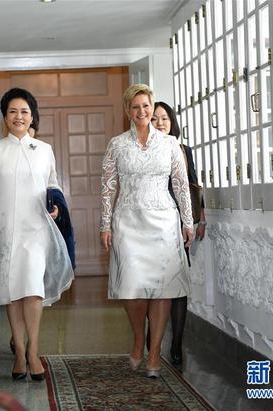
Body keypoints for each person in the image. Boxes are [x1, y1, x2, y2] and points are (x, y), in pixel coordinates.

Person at [0, 88, 74, 381]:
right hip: (3, 231)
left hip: (36, 230)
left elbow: (53, 186)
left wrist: (56, 209)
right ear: (5, 116)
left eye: (25, 112)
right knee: (12, 293)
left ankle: (33, 350)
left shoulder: (44, 150)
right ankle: (18, 350)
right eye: (13, 111)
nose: (19, 116)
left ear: (32, 117)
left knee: (32, 289)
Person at [100, 84, 194, 378]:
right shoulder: (117, 144)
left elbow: (181, 185)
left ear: (152, 108)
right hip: (127, 221)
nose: (142, 112)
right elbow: (108, 187)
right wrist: (105, 224)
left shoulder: (170, 145)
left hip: (164, 222)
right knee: (132, 290)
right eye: (136, 107)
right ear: (128, 110)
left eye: (146, 106)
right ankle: (139, 338)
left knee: (163, 290)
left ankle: (154, 351)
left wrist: (187, 221)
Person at [150, 101, 207, 366]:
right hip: (151, 223)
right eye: (154, 119)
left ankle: (176, 344)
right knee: (153, 283)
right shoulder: (145, 149)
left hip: (179, 223)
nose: (160, 123)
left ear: (172, 122)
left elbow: (193, 182)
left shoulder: (183, 150)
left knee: (178, 283)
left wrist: (200, 218)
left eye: (164, 118)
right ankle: (153, 338)